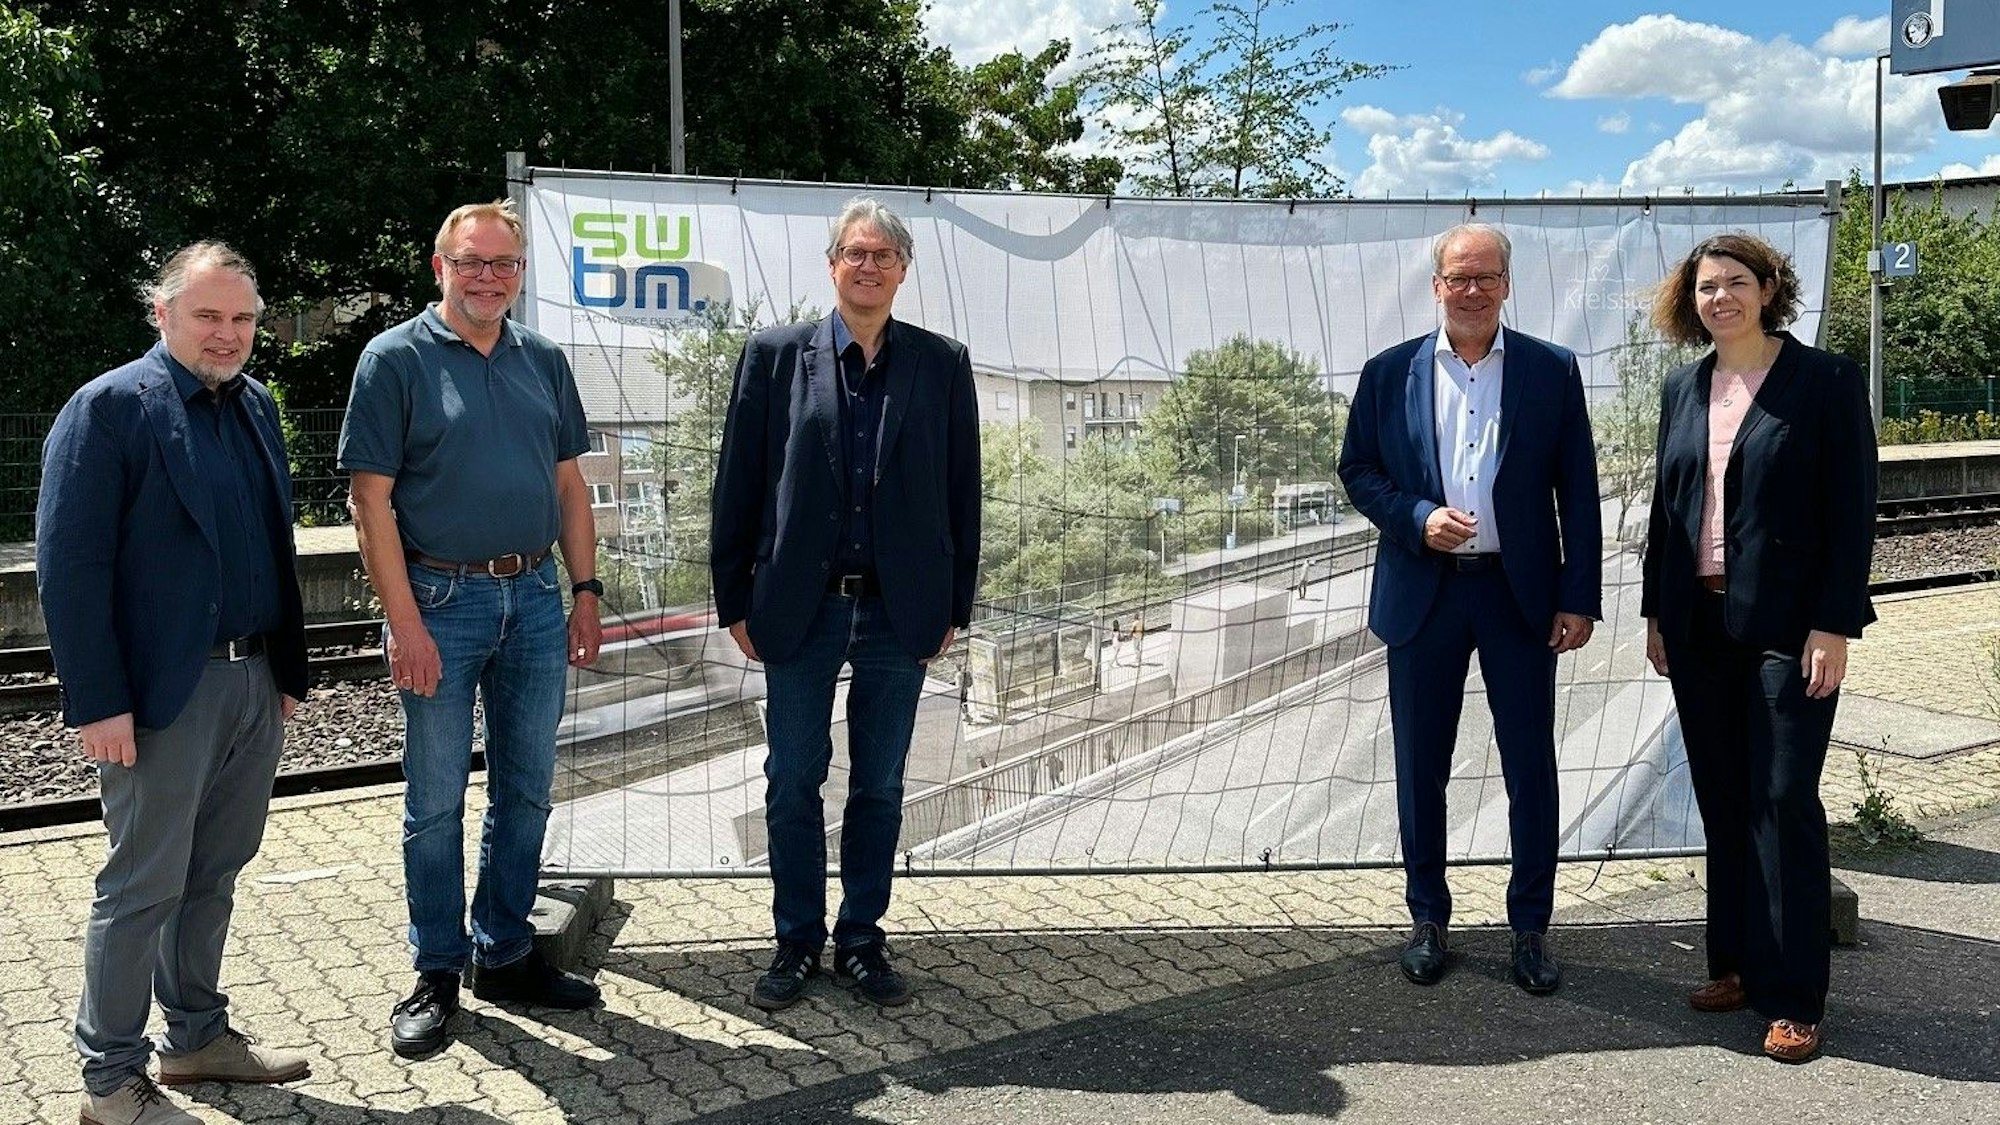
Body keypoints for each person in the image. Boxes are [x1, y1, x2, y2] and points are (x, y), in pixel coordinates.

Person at [38, 242, 311, 1125]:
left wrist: (284, 667)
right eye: (208, 316)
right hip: (162, 693)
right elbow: (69, 570)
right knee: (142, 885)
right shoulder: (110, 409)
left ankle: (194, 1036)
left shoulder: (255, 405)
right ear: (162, 315)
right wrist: (98, 700)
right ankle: (109, 1082)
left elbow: (273, 545)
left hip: (250, 678)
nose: (227, 334)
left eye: (242, 319)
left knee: (217, 871)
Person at [338, 200, 604, 1058]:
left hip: (530, 597)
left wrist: (586, 590)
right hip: (439, 605)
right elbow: (367, 501)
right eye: (472, 262)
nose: (488, 278)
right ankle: (437, 970)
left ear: (521, 274)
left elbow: (569, 486)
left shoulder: (543, 360)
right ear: (439, 265)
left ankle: (507, 950)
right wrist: (402, 622)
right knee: (435, 802)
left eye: (504, 265)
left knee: (527, 788)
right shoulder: (394, 359)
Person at [711, 197, 980, 1010]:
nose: (868, 267)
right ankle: (796, 938)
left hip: (902, 612)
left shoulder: (941, 362)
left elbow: (962, 491)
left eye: (884, 256)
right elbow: (740, 485)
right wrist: (734, 600)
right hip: (800, 607)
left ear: (902, 270)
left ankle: (861, 937)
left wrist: (954, 602)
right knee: (793, 778)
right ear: (833, 265)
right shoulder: (774, 354)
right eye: (855, 254)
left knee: (881, 784)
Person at [1337, 223, 1601, 995]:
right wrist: (1416, 514)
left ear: (1507, 284)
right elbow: (1357, 469)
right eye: (1460, 277)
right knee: (1422, 766)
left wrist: (1577, 595)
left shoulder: (1551, 371)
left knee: (1530, 768)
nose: (1474, 289)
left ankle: (1530, 927)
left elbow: (1576, 491)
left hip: (1520, 596)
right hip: (1426, 591)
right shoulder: (1389, 374)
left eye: (1488, 276)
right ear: (1437, 286)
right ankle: (1427, 917)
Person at [1641, 232, 1876, 1063]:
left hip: (1790, 628)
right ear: (1691, 299)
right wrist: (1656, 613)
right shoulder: (1683, 386)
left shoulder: (1827, 381)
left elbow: (1852, 512)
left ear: (1771, 287)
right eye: (1706, 286)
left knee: (1782, 799)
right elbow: (1667, 512)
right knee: (1724, 800)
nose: (1721, 298)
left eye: (1737, 282)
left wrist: (1834, 622)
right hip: (1697, 625)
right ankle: (1736, 963)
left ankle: (1795, 994)